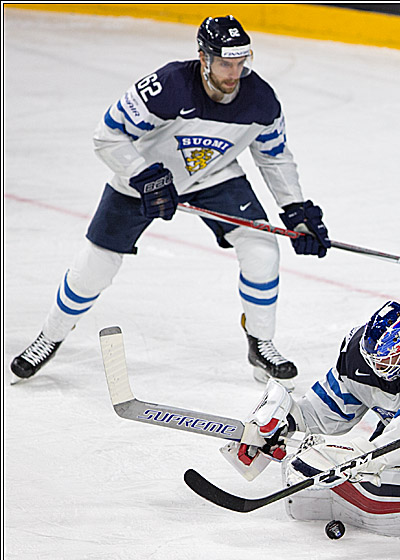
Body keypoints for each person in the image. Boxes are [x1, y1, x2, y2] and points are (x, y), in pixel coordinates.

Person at [11, 15, 331, 387]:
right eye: (226, 63)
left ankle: (260, 344)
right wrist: (144, 176)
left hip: (214, 175)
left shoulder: (260, 100)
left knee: (262, 248)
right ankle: (49, 336)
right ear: (203, 57)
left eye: (241, 62)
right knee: (94, 268)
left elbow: (274, 156)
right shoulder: (168, 86)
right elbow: (108, 135)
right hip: (146, 176)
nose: (234, 72)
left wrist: (295, 210)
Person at [228, 300, 400, 487]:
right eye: (374, 359)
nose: (378, 367)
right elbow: (327, 407)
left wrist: (367, 455)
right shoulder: (358, 358)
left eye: (387, 360)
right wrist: (288, 421)